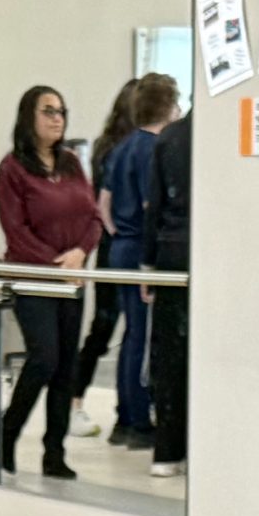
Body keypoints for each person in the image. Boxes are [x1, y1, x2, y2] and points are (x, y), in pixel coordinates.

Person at [0, 84, 97, 479]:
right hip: (34, 279)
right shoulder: (12, 169)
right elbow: (15, 231)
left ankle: (55, 452)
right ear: (28, 118)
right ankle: (6, 434)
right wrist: (55, 265)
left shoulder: (71, 163)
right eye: (48, 111)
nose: (57, 118)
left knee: (66, 367)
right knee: (44, 358)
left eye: (61, 111)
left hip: (72, 277)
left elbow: (93, 218)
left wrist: (81, 253)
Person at [101, 74, 178, 447]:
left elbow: (103, 204)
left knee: (131, 335)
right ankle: (140, 421)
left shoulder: (122, 147)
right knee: (145, 339)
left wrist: (121, 232)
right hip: (144, 250)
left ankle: (124, 418)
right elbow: (153, 206)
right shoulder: (155, 147)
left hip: (121, 246)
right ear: (170, 106)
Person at [65, 78, 141, 442]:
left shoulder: (108, 146)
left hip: (112, 247)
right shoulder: (123, 149)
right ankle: (80, 404)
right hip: (119, 245)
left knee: (108, 329)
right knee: (113, 328)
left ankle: (79, 403)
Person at [146, 105, 193, 480]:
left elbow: (154, 207)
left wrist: (148, 264)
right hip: (217, 256)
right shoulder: (224, 137)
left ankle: (167, 450)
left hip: (172, 253)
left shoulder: (170, 137)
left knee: (169, 359)